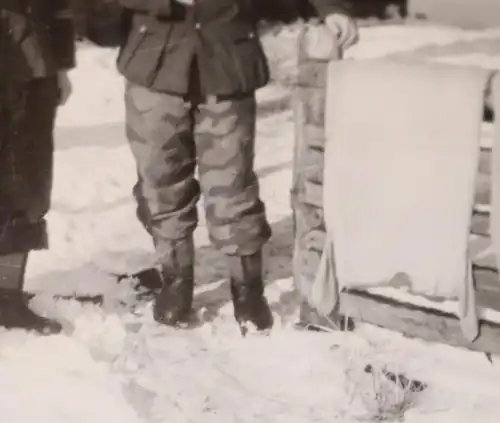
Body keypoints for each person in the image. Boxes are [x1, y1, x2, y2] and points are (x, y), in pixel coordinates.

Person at [86, 0, 358, 334]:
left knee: (232, 186)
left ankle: (247, 291)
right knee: (160, 181)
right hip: (153, 66)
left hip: (227, 63)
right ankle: (176, 282)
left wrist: (330, 8)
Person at [0, 1, 75, 335]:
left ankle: (6, 294)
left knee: (27, 183)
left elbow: (57, 8)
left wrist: (60, 67)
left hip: (33, 64)